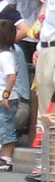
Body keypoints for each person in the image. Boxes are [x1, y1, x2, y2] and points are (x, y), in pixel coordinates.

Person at [0, 19, 20, 171]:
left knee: (6, 127)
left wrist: (6, 94)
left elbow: (11, 75)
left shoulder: (6, 55)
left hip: (6, 98)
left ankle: (6, 158)